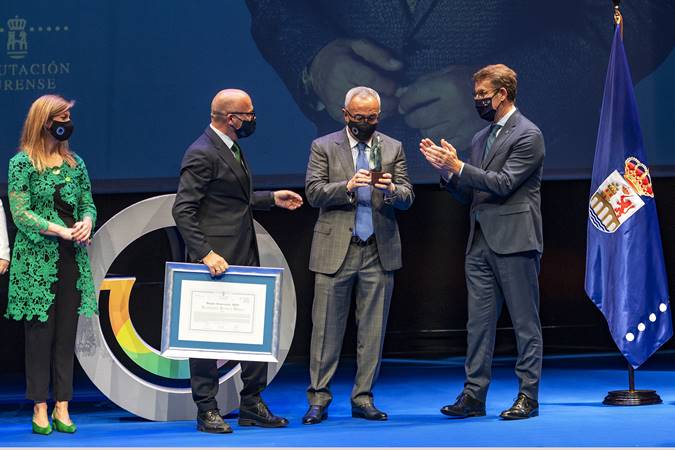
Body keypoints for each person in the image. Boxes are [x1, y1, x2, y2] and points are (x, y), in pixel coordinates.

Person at [245, 0, 675, 178]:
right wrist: (314, 58)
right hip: (354, 190)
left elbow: (645, 13)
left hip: (540, 190)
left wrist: (506, 98)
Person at [172, 88, 303, 434]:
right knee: (206, 337)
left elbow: (230, 200)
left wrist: (271, 198)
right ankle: (207, 409)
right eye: (249, 114)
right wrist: (205, 253)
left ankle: (252, 404)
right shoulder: (201, 152)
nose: (253, 120)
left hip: (243, 255)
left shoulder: (229, 147)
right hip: (214, 261)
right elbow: (183, 210)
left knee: (254, 329)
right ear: (231, 119)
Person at [420, 64, 544, 420]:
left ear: (502, 95)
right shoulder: (479, 138)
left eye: (481, 96)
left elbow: (504, 183)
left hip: (516, 241)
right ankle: (474, 395)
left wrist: (458, 166)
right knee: (478, 324)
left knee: (525, 323)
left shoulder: (528, 134)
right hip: (479, 242)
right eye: (475, 95)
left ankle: (528, 397)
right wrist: (448, 174)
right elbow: (471, 193)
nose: (477, 101)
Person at [303, 86, 413, 424]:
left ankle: (363, 397)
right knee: (325, 330)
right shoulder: (324, 146)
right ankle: (319, 398)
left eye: (371, 118)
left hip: (378, 250)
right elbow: (313, 193)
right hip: (337, 247)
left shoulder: (392, 147)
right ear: (345, 114)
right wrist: (347, 186)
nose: (365, 123)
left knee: (372, 330)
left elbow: (408, 197)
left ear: (378, 116)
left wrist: (392, 190)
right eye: (358, 118)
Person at [5, 95, 97, 434]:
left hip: (71, 258)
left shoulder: (76, 163)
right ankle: (39, 407)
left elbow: (88, 202)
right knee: (40, 336)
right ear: (44, 121)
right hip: (36, 261)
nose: (67, 122)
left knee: (65, 335)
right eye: (61, 116)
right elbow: (21, 212)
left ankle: (63, 405)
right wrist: (58, 228)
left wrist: (87, 221)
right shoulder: (22, 164)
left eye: (69, 115)